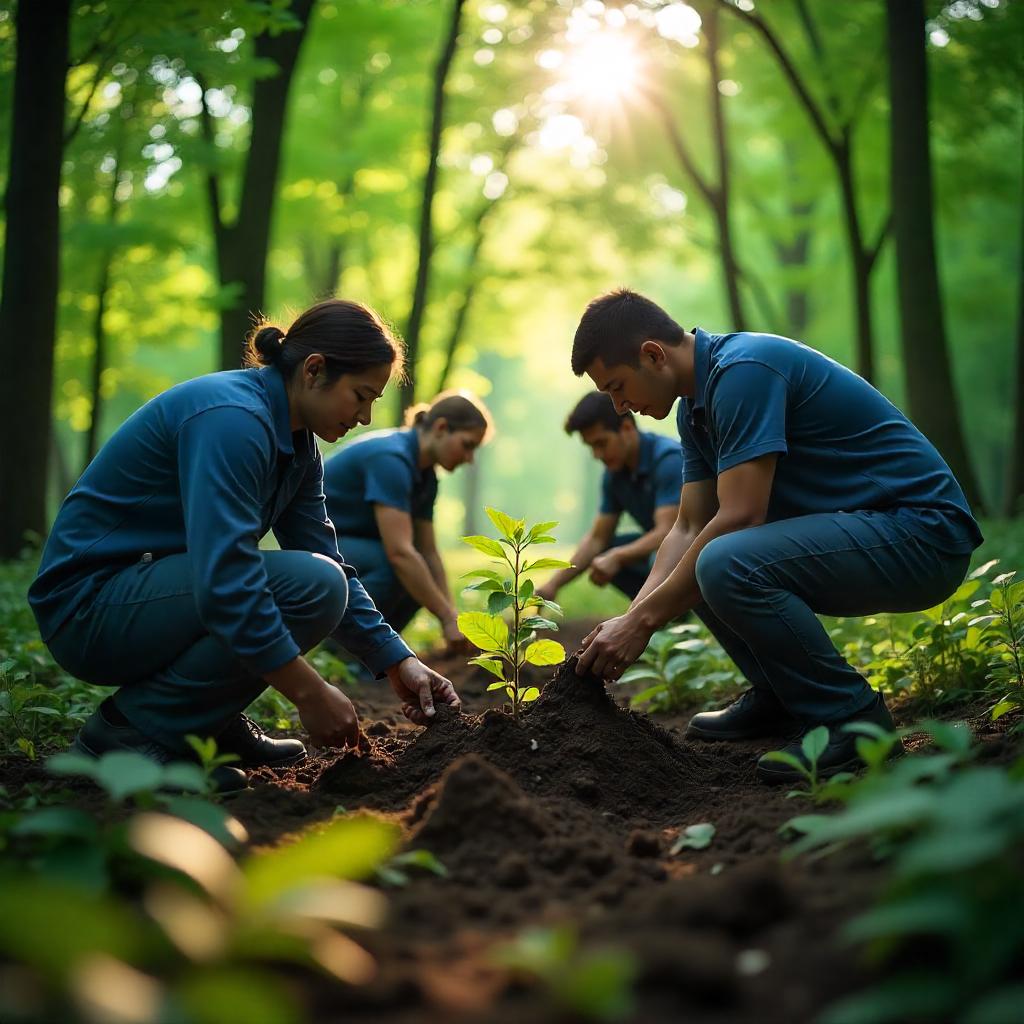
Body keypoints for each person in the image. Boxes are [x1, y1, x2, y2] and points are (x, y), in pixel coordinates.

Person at [28, 299, 461, 793]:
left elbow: (327, 556)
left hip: (151, 591)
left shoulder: (298, 445)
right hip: (89, 606)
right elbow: (227, 581)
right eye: (360, 395)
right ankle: (128, 733)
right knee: (312, 584)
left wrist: (396, 658)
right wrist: (310, 692)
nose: (365, 417)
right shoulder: (233, 420)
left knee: (325, 579)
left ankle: (202, 719)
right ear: (314, 370)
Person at [570, 289, 983, 783]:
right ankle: (781, 696)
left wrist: (642, 624)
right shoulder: (694, 409)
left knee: (722, 561)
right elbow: (687, 526)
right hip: (871, 533)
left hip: (921, 534)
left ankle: (852, 719)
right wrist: (633, 616)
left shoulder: (744, 371)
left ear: (653, 354)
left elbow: (742, 516)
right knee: (695, 565)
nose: (619, 407)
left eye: (617, 388)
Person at [322, 391, 493, 651]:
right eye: (467, 445)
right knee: (400, 567)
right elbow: (399, 553)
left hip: (352, 545)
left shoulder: (426, 478)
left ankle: (379, 651)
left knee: (420, 573)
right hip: (316, 544)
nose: (469, 459)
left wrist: (453, 616)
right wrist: (446, 618)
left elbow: (429, 552)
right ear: (441, 427)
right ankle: (345, 651)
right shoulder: (392, 459)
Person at [535, 391, 683, 605]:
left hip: (698, 548)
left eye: (601, 443)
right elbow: (597, 539)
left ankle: (664, 612)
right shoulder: (615, 475)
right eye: (591, 447)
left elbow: (669, 532)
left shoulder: (668, 460)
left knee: (654, 556)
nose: (597, 455)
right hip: (666, 550)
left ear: (627, 429)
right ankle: (669, 617)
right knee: (603, 554)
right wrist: (552, 586)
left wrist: (618, 556)